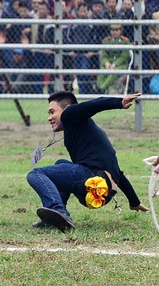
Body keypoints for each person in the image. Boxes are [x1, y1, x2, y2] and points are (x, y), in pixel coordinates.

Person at [26, 91, 148, 232]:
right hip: (103, 189)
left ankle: (58, 211)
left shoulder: (69, 113)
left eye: (52, 112)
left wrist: (119, 102)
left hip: (94, 180)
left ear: (67, 108)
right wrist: (134, 202)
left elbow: (95, 104)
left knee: (35, 174)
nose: (49, 118)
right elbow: (118, 173)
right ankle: (54, 218)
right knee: (60, 163)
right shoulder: (85, 131)